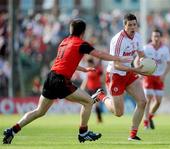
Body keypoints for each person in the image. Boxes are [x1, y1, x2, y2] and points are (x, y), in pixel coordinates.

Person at [2, 19, 133, 144]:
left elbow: (65, 62)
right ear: (83, 32)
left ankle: (12, 130)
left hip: (50, 77)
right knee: (88, 101)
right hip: (60, 80)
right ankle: (83, 133)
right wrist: (118, 58)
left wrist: (83, 69)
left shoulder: (64, 42)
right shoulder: (81, 44)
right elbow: (99, 54)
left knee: (39, 111)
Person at [91, 13, 147, 141]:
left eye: (135, 25)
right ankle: (101, 96)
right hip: (115, 75)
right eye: (130, 25)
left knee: (143, 102)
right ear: (124, 26)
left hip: (128, 73)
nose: (133, 27)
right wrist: (135, 69)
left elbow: (141, 54)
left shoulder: (137, 36)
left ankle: (133, 135)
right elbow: (117, 65)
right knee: (119, 113)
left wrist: (146, 65)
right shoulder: (118, 40)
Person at [143, 28, 170, 129]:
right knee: (148, 99)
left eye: (158, 36)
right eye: (154, 36)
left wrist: (164, 75)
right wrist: (141, 71)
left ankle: (150, 116)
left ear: (160, 37)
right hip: (149, 76)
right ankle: (146, 122)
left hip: (159, 77)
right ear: (151, 37)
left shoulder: (165, 49)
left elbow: (169, 64)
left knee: (158, 101)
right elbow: (139, 59)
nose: (156, 38)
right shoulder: (146, 48)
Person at [81, 57, 104, 123]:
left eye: (88, 63)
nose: (87, 65)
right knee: (90, 104)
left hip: (96, 89)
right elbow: (86, 79)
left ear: (91, 63)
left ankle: (99, 119)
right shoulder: (88, 70)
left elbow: (102, 76)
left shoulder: (97, 69)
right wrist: (82, 87)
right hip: (90, 89)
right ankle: (97, 118)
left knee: (96, 104)